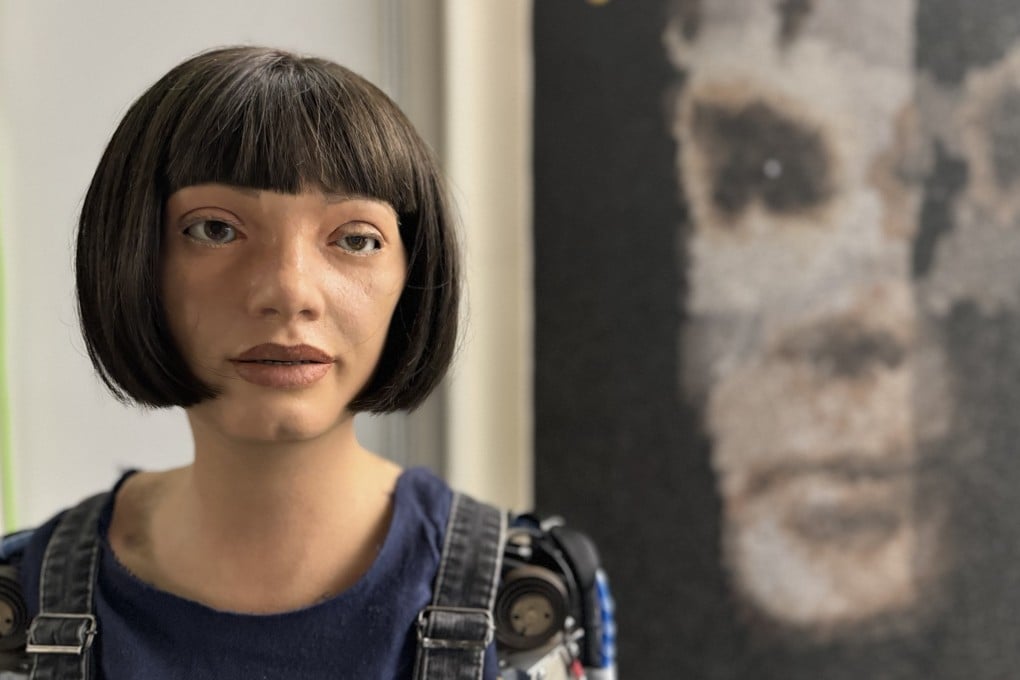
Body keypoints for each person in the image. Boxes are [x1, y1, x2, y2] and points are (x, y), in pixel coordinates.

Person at [2, 45, 509, 679]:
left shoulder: (529, 608)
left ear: (413, 274)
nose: (288, 292)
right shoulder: (16, 606)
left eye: (355, 239)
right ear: (132, 256)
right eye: (215, 230)